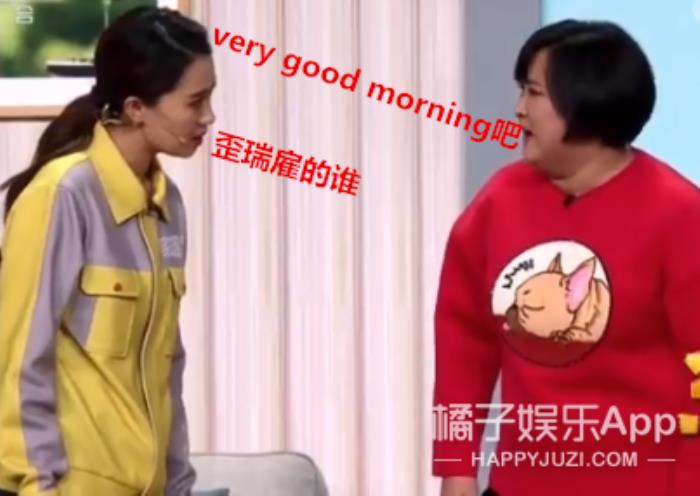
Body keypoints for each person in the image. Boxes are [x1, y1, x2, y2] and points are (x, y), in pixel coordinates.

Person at [433, 19, 700, 496]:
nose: (518, 109)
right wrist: (457, 472)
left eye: (534, 93)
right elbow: (462, 346)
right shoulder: (499, 201)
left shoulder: (679, 215)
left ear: (588, 101)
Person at [0, 6, 216, 495]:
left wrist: (179, 484)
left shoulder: (168, 204)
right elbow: (18, 362)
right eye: (195, 102)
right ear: (137, 107)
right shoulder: (63, 195)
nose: (208, 117)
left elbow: (168, 369)